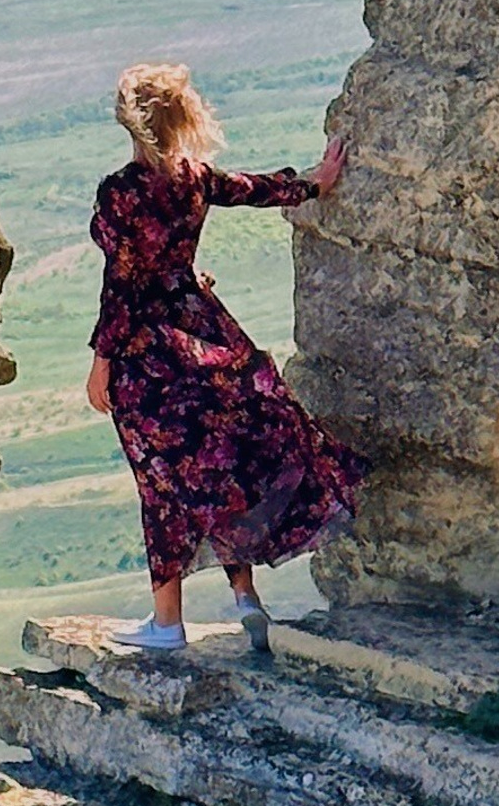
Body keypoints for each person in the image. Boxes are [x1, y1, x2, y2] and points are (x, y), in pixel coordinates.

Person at [86, 62, 367, 654]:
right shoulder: (193, 178)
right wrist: (315, 183)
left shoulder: (121, 191)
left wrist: (102, 361)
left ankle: (167, 624)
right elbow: (252, 189)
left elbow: (122, 284)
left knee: (160, 483)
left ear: (130, 122)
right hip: (206, 333)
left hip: (147, 356)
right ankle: (245, 598)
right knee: (218, 469)